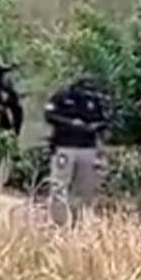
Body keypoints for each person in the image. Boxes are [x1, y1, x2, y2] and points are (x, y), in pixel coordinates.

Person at [44, 76, 109, 227]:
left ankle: (78, 222)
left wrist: (93, 126)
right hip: (64, 146)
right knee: (59, 185)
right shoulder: (62, 97)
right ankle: (58, 222)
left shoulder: (96, 100)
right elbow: (49, 115)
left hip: (87, 147)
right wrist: (70, 123)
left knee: (84, 188)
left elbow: (105, 121)